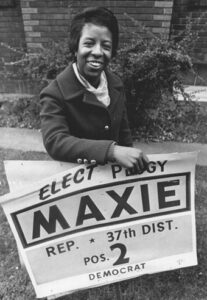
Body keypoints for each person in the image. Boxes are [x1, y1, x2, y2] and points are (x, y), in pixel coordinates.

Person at [40, 6, 148, 170]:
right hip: (78, 183)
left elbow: (123, 132)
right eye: (89, 43)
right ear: (75, 47)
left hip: (112, 179)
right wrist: (111, 150)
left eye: (106, 46)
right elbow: (55, 141)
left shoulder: (116, 85)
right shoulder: (55, 93)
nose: (98, 52)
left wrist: (129, 153)